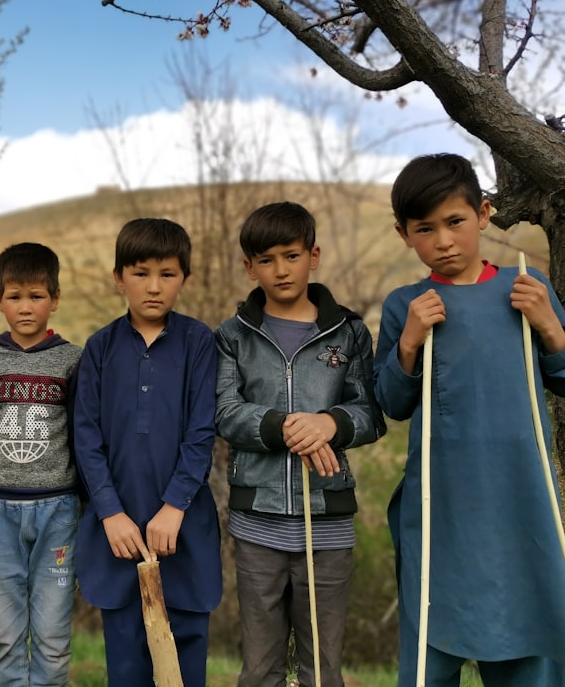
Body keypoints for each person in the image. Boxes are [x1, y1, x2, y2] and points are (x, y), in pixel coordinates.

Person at [374, 153, 565, 686]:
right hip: (443, 507)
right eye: (425, 229)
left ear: (483, 214)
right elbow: (391, 403)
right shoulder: (406, 304)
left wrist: (551, 327)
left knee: (529, 634)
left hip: (520, 502)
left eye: (455, 222)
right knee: (430, 639)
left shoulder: (528, 289)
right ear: (404, 235)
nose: (444, 241)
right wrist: (409, 343)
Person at [214, 201, 385, 687]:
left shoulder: (348, 332)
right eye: (265, 260)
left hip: (326, 520)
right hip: (257, 522)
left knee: (322, 668)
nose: (280, 269)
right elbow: (224, 411)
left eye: (290, 255)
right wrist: (288, 425)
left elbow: (371, 413)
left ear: (314, 255)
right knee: (260, 666)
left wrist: (330, 424)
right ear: (249, 267)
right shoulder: (233, 336)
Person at [74, 217, 222, 687]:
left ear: (185, 278)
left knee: (185, 662)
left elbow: (203, 432)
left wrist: (175, 505)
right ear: (119, 277)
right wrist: (110, 513)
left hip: (183, 530)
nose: (153, 287)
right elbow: (86, 437)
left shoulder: (200, 343)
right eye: (140, 273)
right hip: (118, 534)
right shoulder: (99, 349)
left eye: (167, 274)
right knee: (127, 665)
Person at [0, 242, 83, 687]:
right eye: (14, 297)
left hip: (58, 512)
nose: (25, 307)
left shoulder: (72, 360)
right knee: (6, 637)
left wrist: (87, 507)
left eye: (36, 296)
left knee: (51, 635)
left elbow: (83, 438)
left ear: (55, 298)